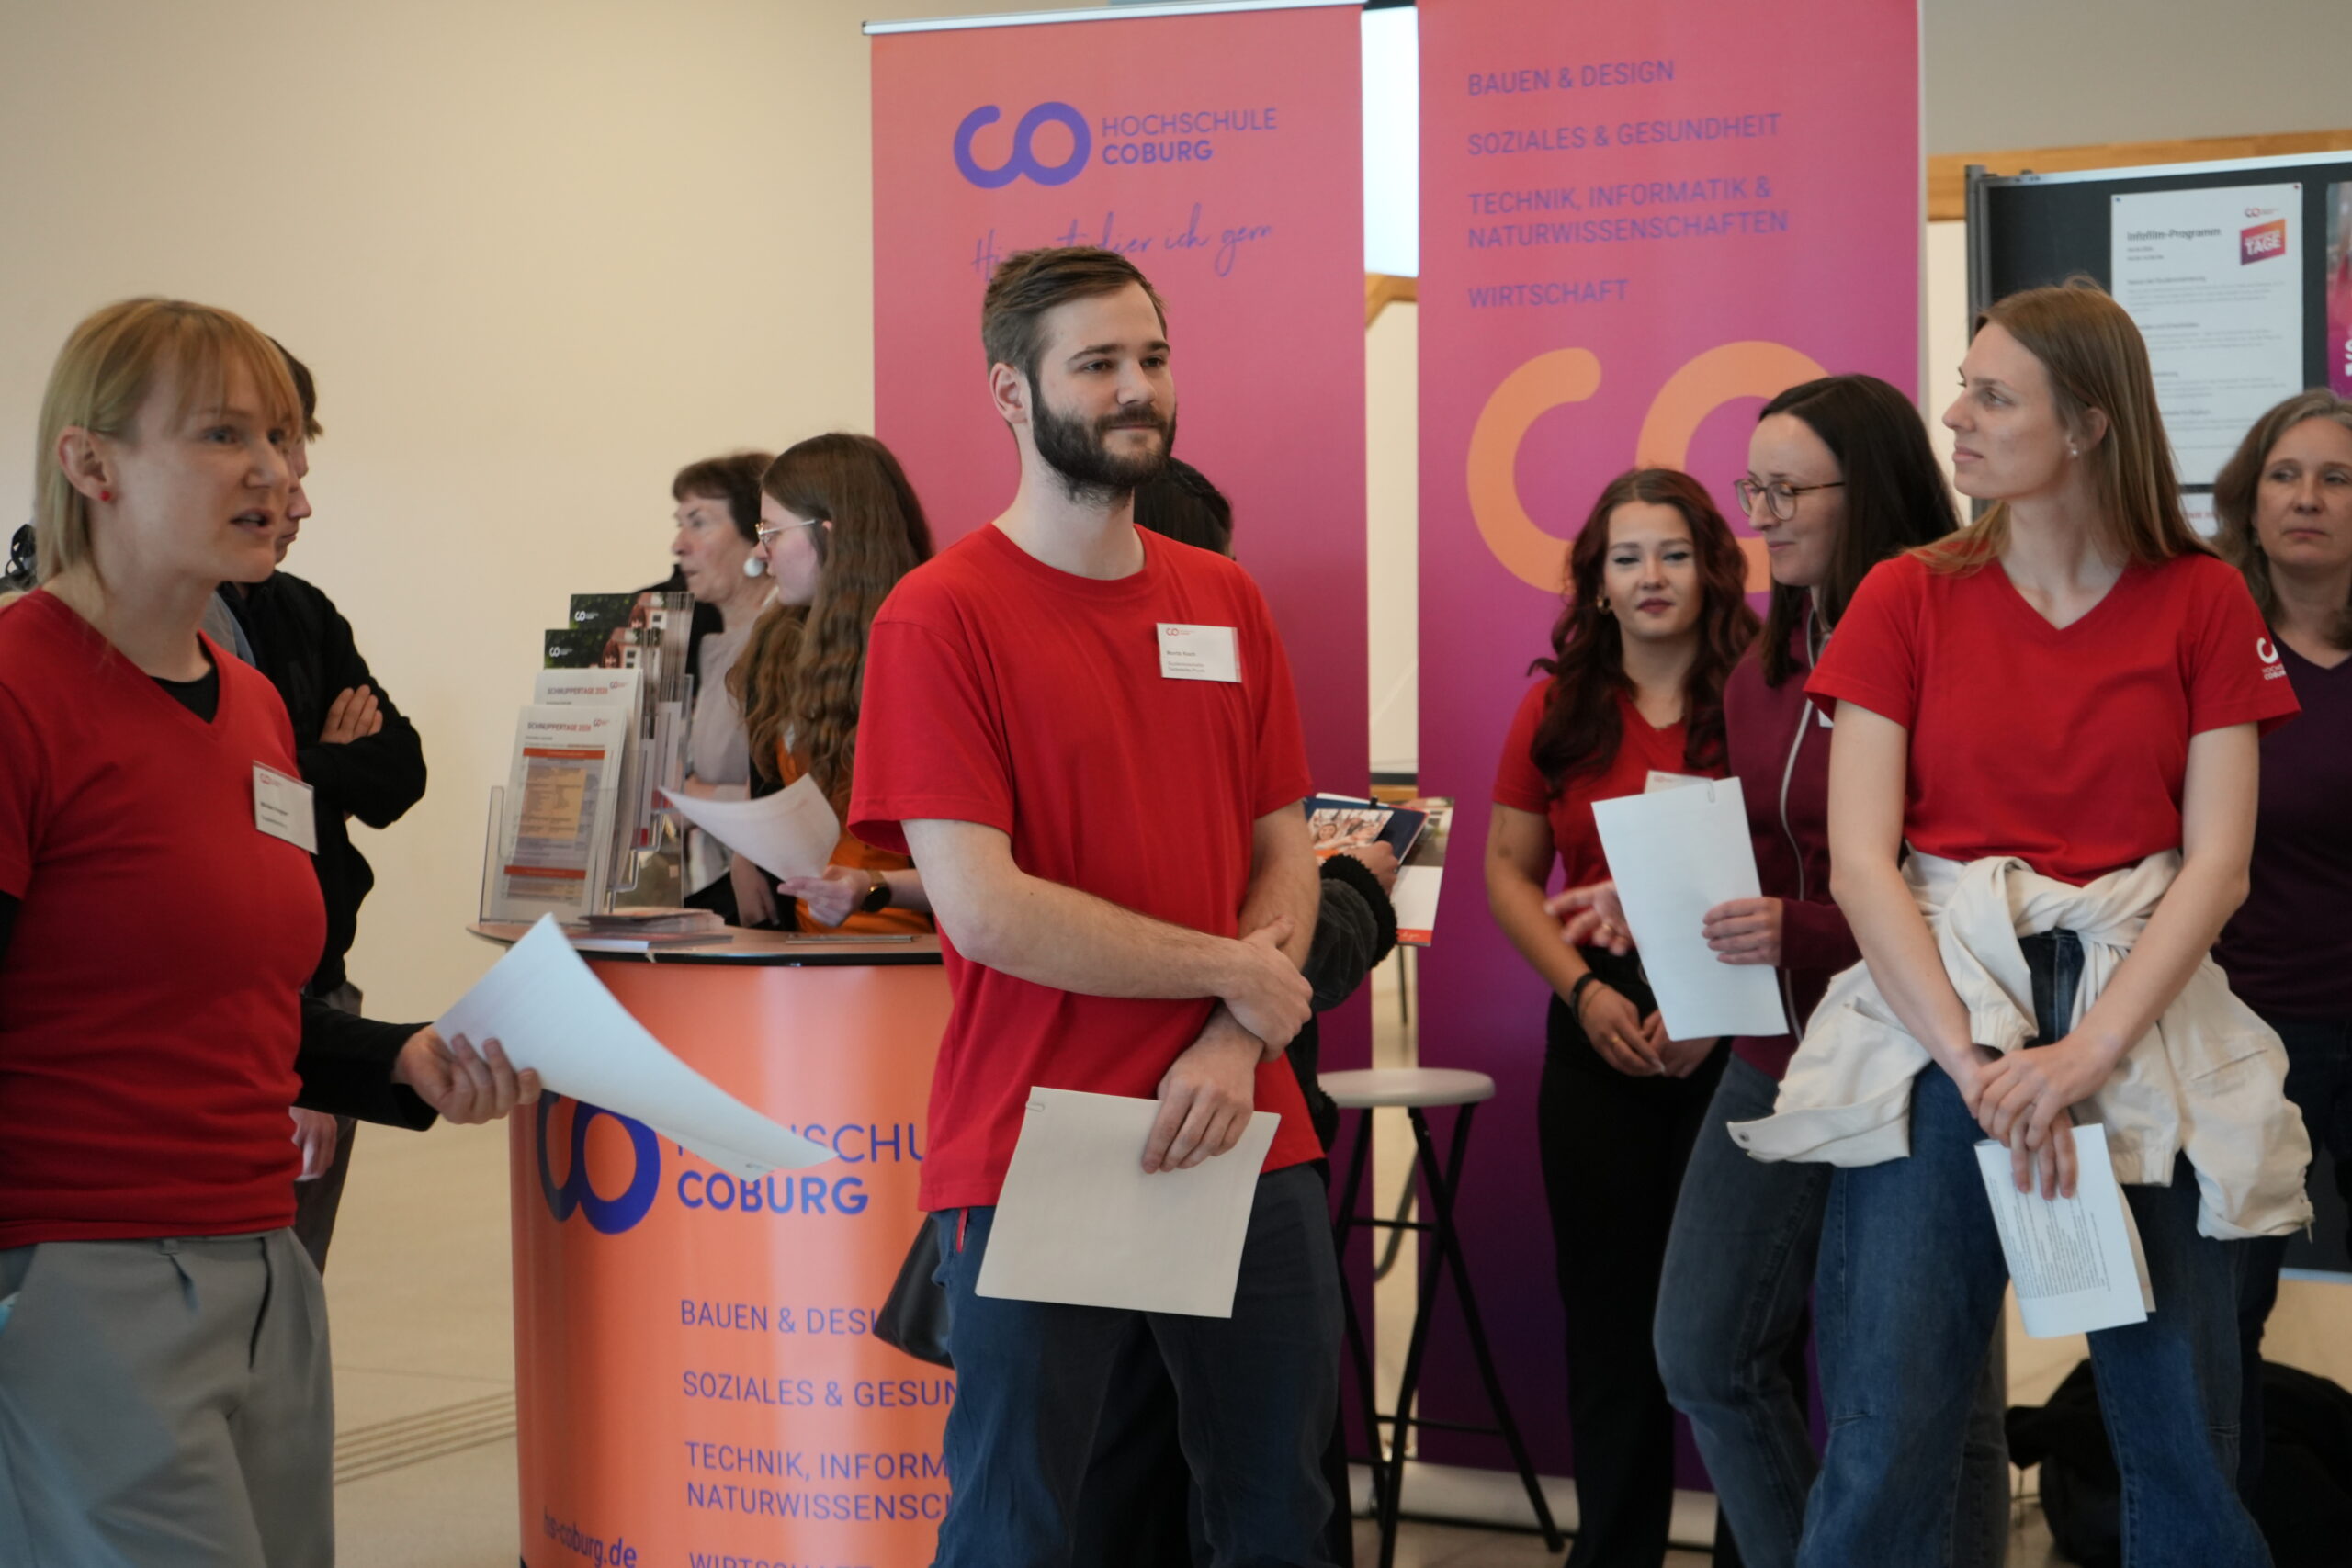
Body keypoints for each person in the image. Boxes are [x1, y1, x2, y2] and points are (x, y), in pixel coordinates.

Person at [1732, 281, 2309, 1568]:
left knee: (2184, 1438)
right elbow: (1870, 864)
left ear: (2093, 422)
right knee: (1888, 1430)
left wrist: (2085, 1054)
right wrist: (1974, 1060)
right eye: (1963, 383)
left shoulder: (2204, 598)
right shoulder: (1907, 594)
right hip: (1944, 1011)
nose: (1957, 414)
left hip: (2136, 1009)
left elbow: (2215, 865)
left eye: (1995, 393)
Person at [0, 296, 538, 1564]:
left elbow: (227, 991)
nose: (277, 472)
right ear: (91, 462)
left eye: (288, 439)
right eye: (223, 435)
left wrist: (393, 1060)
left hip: (264, 1265)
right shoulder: (21, 690)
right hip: (78, 1274)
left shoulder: (246, 700)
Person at [848, 245, 1337, 1567]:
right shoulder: (939, 615)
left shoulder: (1224, 597)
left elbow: (1284, 846)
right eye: (1100, 363)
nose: (1137, 388)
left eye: (1154, 357)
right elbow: (987, 906)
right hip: (1039, 1132)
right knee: (1021, 1524)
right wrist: (1231, 972)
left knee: (1280, 1513)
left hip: (1242, 1120)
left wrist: (1236, 1034)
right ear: (1012, 392)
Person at [1553, 378, 2008, 1568]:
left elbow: (1975, 888)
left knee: (1934, 1398)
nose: (1762, 513)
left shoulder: (1954, 634)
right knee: (1701, 1347)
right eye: (1755, 487)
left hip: (1919, 1055)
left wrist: (1803, 929)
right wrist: (1657, 905)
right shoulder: (1767, 655)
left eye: (1786, 487)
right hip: (1775, 1056)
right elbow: (1770, 831)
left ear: (1873, 487)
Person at [1074, 454, 1400, 1568]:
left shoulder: (1198, 725)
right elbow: (1281, 952)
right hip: (1208, 1128)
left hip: (1128, 1118)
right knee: (1248, 1466)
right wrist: (1355, 888)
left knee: (1134, 1458)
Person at [1483, 467, 1759, 1568]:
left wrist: (1720, 1015)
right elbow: (1510, 873)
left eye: (1674, 553)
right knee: (1609, 1325)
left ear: (1713, 569)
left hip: (1741, 1031)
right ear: (1596, 583)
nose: (1651, 578)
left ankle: (1759, 1548)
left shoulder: (1758, 699)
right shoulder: (1554, 706)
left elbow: (1800, 865)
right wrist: (1583, 991)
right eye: (1626, 557)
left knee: (1747, 1330)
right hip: (1596, 1030)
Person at [197, 343, 430, 1274]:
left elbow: (398, 773)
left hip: (306, 1008)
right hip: (119, 1192)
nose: (290, 489)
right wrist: (316, 757)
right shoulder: (47, 674)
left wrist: (303, 768)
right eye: (234, 439)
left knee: (284, 1322)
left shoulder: (294, 620)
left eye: (287, 446)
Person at [2210, 389, 2352, 1511]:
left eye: (2336, 478)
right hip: (2238, 1032)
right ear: (2247, 501)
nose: (2307, 498)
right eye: (2284, 475)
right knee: (2221, 1314)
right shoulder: (2206, 644)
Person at [722, 432, 938, 934]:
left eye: (771, 531)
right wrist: (746, 853)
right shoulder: (775, 646)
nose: (758, 552)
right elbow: (772, 795)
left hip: (913, 955)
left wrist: (869, 887)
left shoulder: (927, 647)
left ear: (832, 534)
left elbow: (979, 865)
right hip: (805, 950)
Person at [662, 451, 775, 924]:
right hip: (711, 892)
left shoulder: (779, 644)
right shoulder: (712, 644)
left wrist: (693, 799)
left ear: (756, 538)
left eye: (699, 522)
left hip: (768, 901)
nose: (678, 544)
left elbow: (794, 797)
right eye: (679, 523)